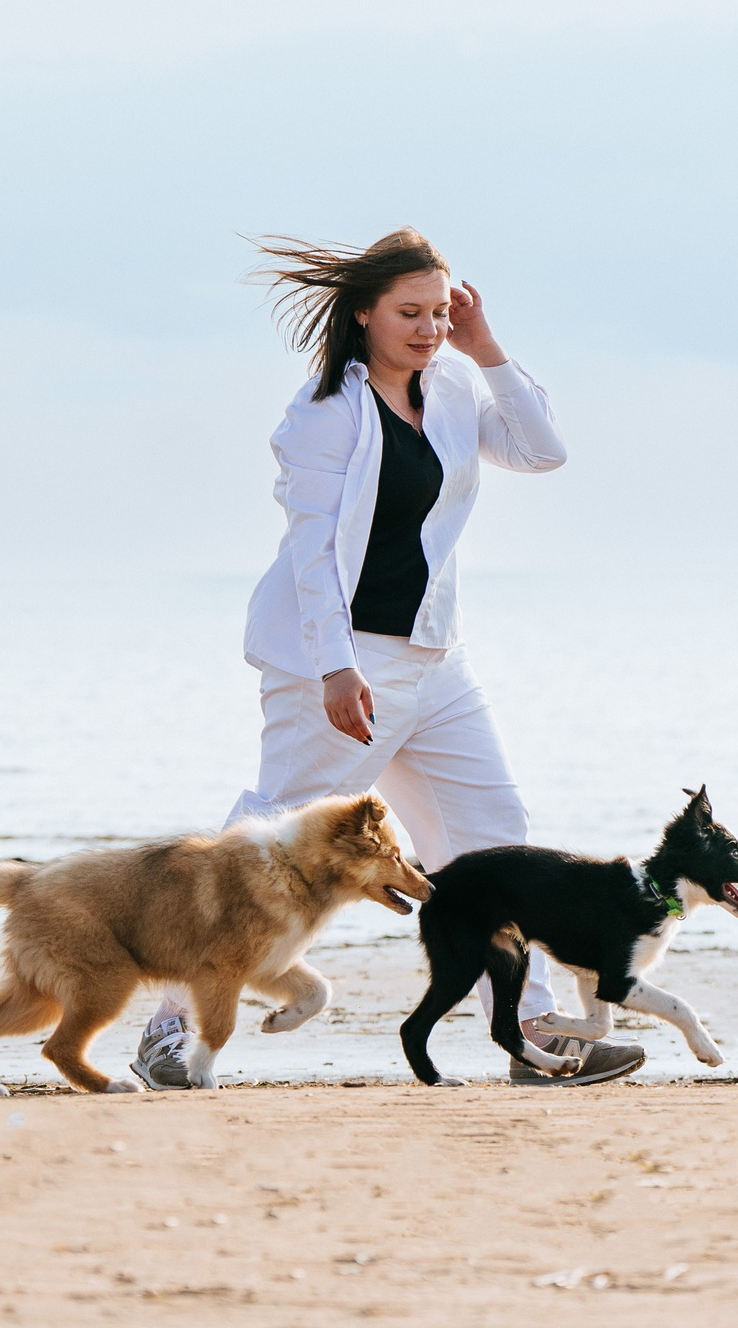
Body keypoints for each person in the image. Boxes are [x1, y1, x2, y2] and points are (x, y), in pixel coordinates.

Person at [130, 226, 643, 1089]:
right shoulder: (323, 415)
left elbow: (542, 448)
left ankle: (529, 1033)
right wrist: (334, 667)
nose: (428, 329)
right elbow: (313, 552)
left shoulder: (448, 389)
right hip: (340, 663)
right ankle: (171, 1031)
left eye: (441, 314)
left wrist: (487, 352)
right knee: (265, 847)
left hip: (436, 662)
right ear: (364, 311)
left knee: (495, 840)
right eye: (410, 313)